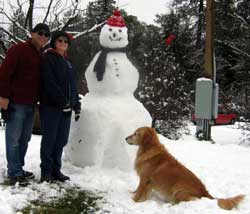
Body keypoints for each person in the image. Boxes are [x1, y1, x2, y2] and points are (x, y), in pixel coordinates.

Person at [0, 23, 50, 186]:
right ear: (32, 33)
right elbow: (4, 73)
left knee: (25, 138)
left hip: (31, 104)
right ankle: (14, 172)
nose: (43, 37)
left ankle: (18, 168)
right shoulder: (18, 50)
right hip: (16, 102)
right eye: (40, 33)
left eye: (46, 35)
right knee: (13, 139)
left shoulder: (41, 54)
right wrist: (3, 96)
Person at [39, 31, 81, 182]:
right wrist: (62, 101)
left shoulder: (68, 62)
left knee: (61, 140)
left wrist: (76, 104)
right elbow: (50, 83)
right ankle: (46, 172)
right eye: (60, 41)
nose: (63, 43)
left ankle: (56, 170)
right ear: (54, 42)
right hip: (51, 107)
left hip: (66, 108)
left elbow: (73, 86)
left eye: (65, 42)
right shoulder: (48, 59)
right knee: (49, 140)